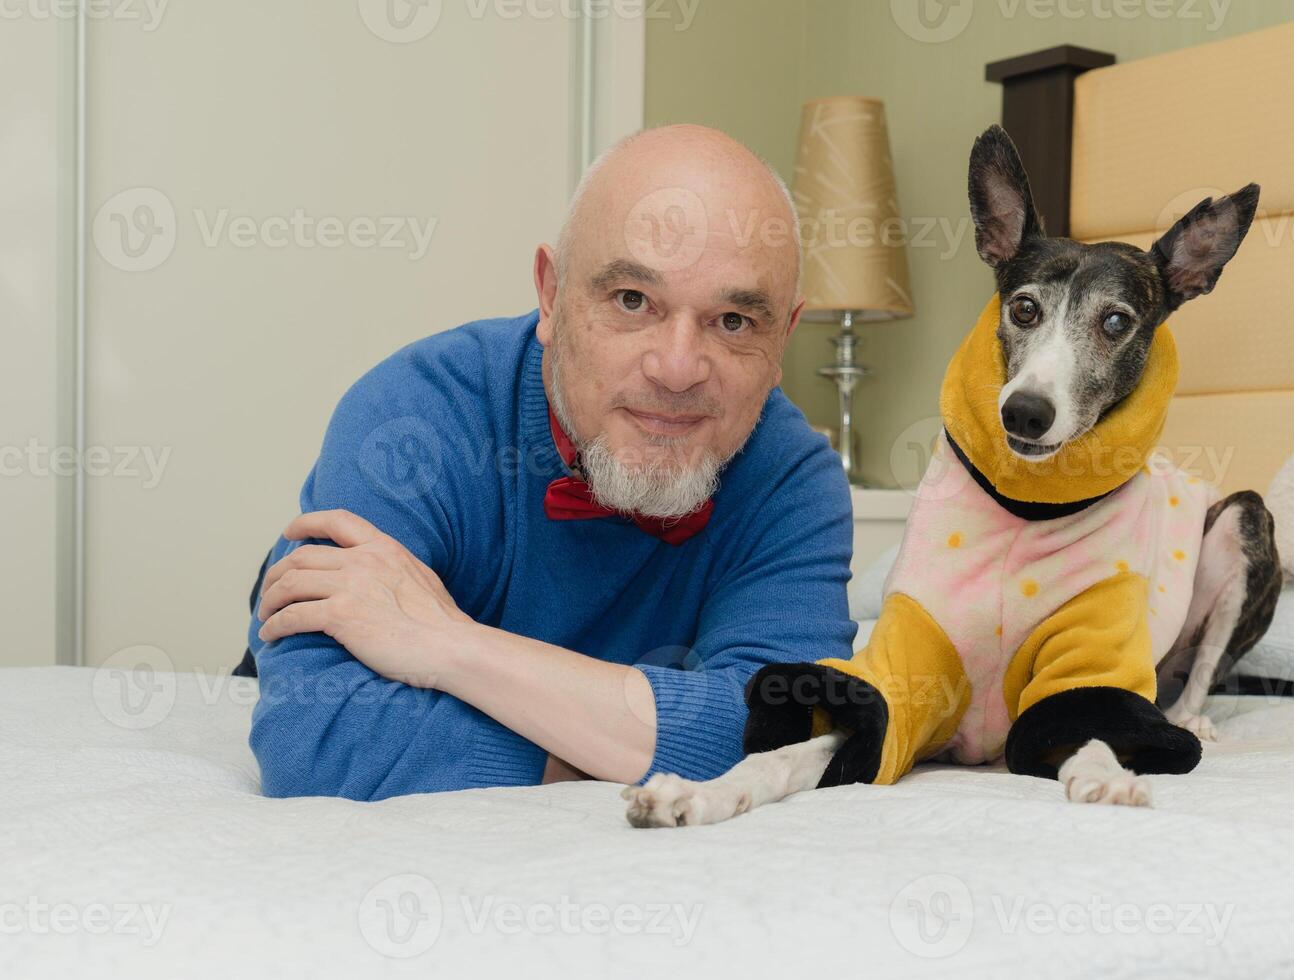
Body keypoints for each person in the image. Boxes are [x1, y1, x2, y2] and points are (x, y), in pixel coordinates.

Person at [238, 125, 856, 799]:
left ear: (783, 341)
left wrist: (449, 645)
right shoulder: (411, 416)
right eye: (631, 301)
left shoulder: (794, 480)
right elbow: (316, 739)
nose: (677, 370)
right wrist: (631, 745)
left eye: (734, 321)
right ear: (551, 295)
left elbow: (782, 737)